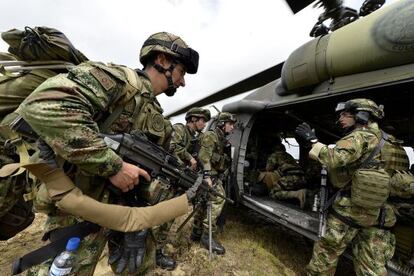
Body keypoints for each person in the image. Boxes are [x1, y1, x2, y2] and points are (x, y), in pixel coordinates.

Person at [17, 31, 200, 275]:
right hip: (79, 213)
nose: (183, 82)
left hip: (123, 215)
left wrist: (138, 223)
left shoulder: (156, 116)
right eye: (182, 72)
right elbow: (45, 105)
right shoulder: (118, 81)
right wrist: (113, 166)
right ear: (163, 60)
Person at [295, 98, 400, 276]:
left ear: (361, 115)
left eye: (345, 114)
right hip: (378, 211)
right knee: (371, 266)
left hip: (351, 210)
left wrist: (312, 141)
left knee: (326, 253)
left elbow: (334, 159)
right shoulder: (392, 143)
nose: (340, 119)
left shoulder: (360, 136)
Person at [152, 107, 211, 270]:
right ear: (193, 119)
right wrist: (189, 157)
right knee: (159, 216)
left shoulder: (196, 138)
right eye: (202, 120)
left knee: (169, 216)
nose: (204, 124)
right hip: (166, 181)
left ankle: (156, 250)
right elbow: (172, 148)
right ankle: (151, 252)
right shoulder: (179, 129)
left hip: (179, 182)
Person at [191, 112, 236, 255]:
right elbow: (204, 157)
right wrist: (207, 176)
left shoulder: (222, 139)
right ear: (222, 124)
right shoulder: (212, 136)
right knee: (218, 199)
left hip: (213, 175)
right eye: (230, 124)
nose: (232, 127)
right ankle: (207, 236)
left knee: (203, 202)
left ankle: (196, 233)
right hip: (207, 176)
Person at [255, 138, 307, 208]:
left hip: (290, 177)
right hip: (302, 178)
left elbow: (268, 169)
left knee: (273, 193)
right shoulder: (288, 155)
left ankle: (297, 194)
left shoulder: (274, 155)